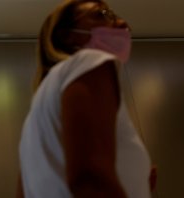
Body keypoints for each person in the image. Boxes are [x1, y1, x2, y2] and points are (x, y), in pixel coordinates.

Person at [18, 0, 153, 197]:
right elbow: (90, 179)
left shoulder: (35, 114)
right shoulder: (90, 61)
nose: (122, 23)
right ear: (66, 34)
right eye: (102, 14)